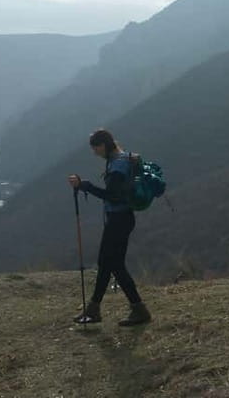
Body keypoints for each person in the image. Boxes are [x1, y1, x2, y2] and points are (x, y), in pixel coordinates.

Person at [68, 129, 151, 327]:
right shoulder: (122, 158)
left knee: (114, 264)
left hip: (118, 220)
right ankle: (94, 308)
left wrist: (85, 186)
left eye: (95, 148)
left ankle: (138, 309)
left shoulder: (117, 166)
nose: (95, 152)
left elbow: (113, 196)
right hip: (122, 218)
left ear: (102, 145)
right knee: (106, 263)